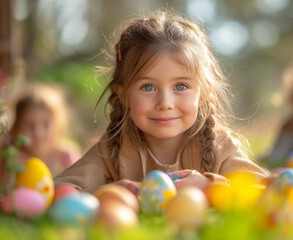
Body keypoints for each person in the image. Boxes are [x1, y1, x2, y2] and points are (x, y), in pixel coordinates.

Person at [54, 10, 269, 195]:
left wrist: (209, 187)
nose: (165, 103)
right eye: (148, 87)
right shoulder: (113, 150)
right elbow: (56, 191)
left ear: (203, 93)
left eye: (181, 86)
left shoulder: (218, 146)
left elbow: (268, 193)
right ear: (122, 94)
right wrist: (108, 193)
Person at [0, 83, 81, 179]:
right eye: (29, 126)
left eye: (45, 124)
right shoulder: (14, 159)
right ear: (16, 129)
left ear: (58, 124)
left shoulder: (67, 156)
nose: (38, 133)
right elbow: (7, 192)